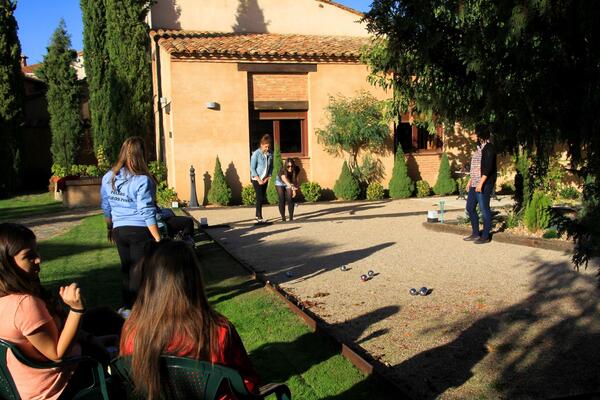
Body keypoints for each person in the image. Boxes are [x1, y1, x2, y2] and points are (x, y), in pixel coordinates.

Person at [120, 239, 259, 400]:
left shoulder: (131, 330)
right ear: (194, 278)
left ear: (149, 282)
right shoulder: (217, 331)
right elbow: (248, 383)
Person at [0, 223, 85, 400]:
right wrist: (76, 310)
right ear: (7, 263)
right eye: (29, 256)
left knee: (105, 316)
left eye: (36, 251)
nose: (38, 259)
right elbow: (57, 355)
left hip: (23, 385)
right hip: (53, 388)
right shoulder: (24, 304)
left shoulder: (7, 298)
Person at [100, 137, 161, 313]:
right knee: (138, 271)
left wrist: (110, 226)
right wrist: (157, 237)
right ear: (141, 155)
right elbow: (146, 210)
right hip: (139, 230)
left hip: (120, 230)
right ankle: (136, 309)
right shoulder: (142, 180)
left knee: (127, 269)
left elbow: (106, 204)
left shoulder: (108, 178)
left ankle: (127, 308)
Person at [464, 126, 497, 244]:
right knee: (470, 207)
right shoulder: (479, 148)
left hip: (484, 183)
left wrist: (481, 183)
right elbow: (475, 167)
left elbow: (488, 168)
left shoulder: (489, 148)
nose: (472, 135)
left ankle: (485, 236)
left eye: (474, 134)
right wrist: (470, 181)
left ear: (480, 135)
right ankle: (475, 233)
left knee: (484, 209)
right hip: (475, 182)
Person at [249, 134, 273, 223]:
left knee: (262, 197)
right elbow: (252, 168)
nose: (267, 148)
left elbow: (271, 167)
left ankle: (257, 215)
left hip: (265, 179)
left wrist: (268, 177)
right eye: (266, 147)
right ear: (261, 145)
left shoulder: (270, 154)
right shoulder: (256, 154)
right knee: (259, 197)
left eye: (268, 147)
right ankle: (259, 217)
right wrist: (259, 180)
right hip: (256, 179)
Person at [275, 158, 300, 222]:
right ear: (286, 166)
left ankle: (291, 218)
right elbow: (284, 179)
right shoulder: (282, 169)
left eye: (291, 166)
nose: (290, 168)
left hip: (290, 182)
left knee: (290, 198)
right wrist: (291, 187)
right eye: (288, 166)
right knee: (282, 199)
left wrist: (294, 190)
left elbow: (296, 180)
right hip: (280, 182)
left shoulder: (297, 169)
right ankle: (283, 218)